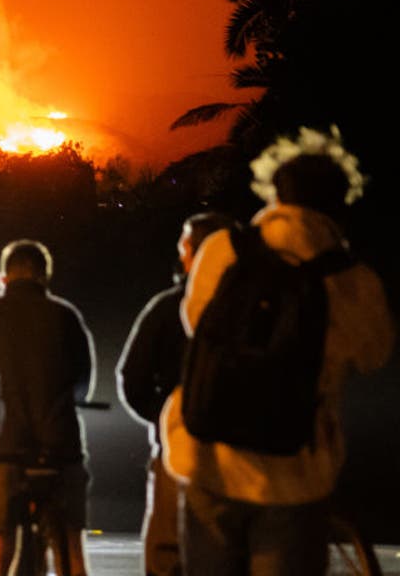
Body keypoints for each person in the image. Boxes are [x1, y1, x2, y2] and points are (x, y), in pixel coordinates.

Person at [161, 126, 395, 575]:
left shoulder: (223, 250)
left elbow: (194, 323)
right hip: (294, 473)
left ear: (273, 193)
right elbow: (374, 354)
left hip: (209, 456)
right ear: (341, 202)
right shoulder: (351, 279)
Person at [0, 240, 97, 576]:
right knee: (71, 550)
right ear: (45, 278)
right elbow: (82, 384)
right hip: (59, 450)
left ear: (2, 278)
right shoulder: (66, 317)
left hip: (0, 453)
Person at [116, 212, 235, 576]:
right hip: (245, 453)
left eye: (184, 247)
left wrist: (162, 418)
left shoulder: (169, 307)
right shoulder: (256, 304)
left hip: (178, 453)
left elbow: (131, 377)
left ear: (194, 252)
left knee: (166, 552)